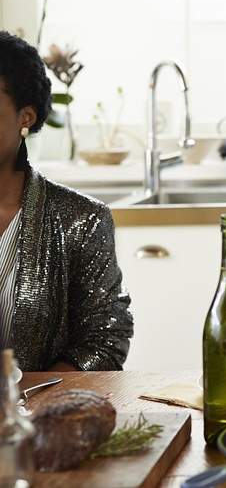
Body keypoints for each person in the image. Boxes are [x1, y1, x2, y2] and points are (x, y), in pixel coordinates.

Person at [0, 31, 133, 371]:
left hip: (35, 418)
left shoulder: (82, 221)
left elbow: (104, 338)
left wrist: (37, 402)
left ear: (25, 117)